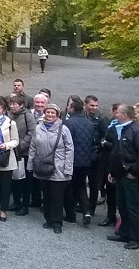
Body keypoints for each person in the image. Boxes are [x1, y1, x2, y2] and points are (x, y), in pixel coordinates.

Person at [27, 103, 74, 234]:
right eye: (48, 112)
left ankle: (57, 222)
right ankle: (48, 219)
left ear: (57, 115)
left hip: (59, 168)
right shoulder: (38, 128)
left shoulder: (64, 129)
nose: (50, 115)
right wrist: (30, 165)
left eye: (53, 113)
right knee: (46, 195)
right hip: (42, 166)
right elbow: (33, 147)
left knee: (57, 197)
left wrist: (68, 169)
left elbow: (70, 149)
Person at [105, 104, 139, 250]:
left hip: (130, 176)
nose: (115, 114)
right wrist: (112, 172)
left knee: (133, 207)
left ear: (125, 115)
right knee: (122, 205)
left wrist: (134, 172)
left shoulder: (135, 131)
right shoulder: (121, 129)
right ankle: (124, 233)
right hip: (119, 174)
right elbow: (117, 152)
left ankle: (135, 238)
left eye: (117, 113)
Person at [62, 96, 95, 226]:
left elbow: (66, 143)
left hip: (73, 160)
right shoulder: (89, 123)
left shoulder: (69, 123)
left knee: (69, 187)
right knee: (81, 186)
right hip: (86, 160)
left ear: (73, 109)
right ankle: (86, 211)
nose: (68, 109)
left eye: (69, 107)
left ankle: (71, 214)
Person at [8, 94, 37, 217]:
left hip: (23, 153)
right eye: (11, 104)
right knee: (14, 178)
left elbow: (32, 132)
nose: (12, 106)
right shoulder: (9, 115)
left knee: (25, 180)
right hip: (11, 152)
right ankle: (16, 201)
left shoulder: (27, 116)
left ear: (21, 105)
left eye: (14, 104)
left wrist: (22, 145)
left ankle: (25, 205)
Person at [84, 95, 111, 221]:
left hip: (96, 155)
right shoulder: (83, 116)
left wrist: (98, 148)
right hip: (83, 153)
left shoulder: (102, 119)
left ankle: (91, 207)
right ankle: (83, 204)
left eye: (96, 105)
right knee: (80, 180)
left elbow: (107, 136)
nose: (94, 108)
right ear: (86, 105)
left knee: (94, 183)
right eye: (91, 105)